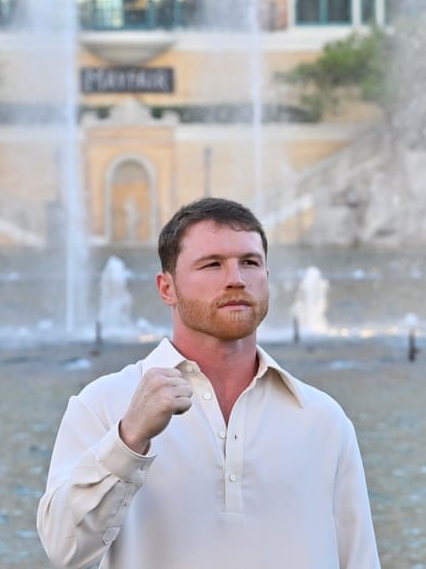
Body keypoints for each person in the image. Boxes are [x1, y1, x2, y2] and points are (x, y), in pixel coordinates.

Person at [37, 198, 379, 568]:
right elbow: (65, 550)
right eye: (212, 264)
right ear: (167, 288)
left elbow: (360, 559)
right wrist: (128, 439)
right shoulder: (103, 404)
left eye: (250, 262)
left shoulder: (324, 418)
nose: (236, 279)